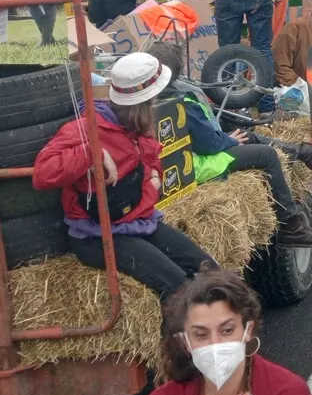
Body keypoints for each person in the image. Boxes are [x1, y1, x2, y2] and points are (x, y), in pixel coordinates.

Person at [33, 53, 214, 297]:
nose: (156, 101)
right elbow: (43, 174)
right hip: (96, 237)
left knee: (211, 273)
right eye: (153, 98)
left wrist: (153, 175)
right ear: (146, 101)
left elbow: (151, 158)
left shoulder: (138, 126)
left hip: (139, 221)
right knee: (180, 290)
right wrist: (91, 153)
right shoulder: (86, 128)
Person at [146, 41, 312, 248]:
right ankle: (291, 226)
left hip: (178, 159)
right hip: (194, 165)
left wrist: (229, 137)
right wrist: (229, 140)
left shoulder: (146, 99)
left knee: (245, 135)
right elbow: (208, 145)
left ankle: (303, 152)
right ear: (176, 73)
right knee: (266, 155)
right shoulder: (182, 103)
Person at [129, 268, 312, 395]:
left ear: (247, 330)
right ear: (185, 342)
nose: (215, 344)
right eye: (201, 334)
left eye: (227, 330)